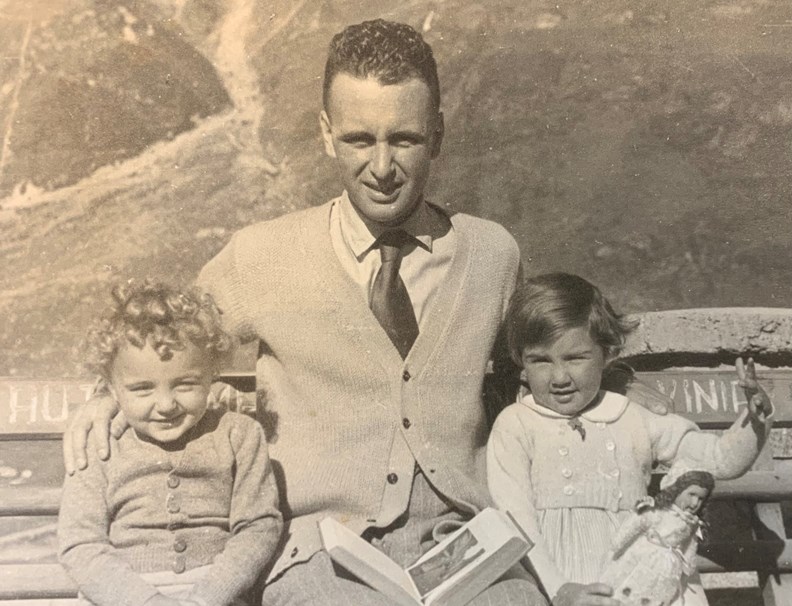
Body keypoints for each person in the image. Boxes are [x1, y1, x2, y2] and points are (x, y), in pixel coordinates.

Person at [63, 20, 666, 606]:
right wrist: (104, 400)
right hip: (318, 556)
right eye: (358, 140)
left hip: (467, 549)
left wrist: (620, 388)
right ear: (326, 133)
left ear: (437, 135)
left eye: (403, 139)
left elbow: (537, 360)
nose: (381, 168)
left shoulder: (491, 254)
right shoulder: (262, 256)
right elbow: (163, 342)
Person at [486, 272, 773, 606]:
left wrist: (754, 419)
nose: (559, 377)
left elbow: (719, 460)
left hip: (639, 576)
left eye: (575, 358)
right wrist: (558, 588)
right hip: (561, 580)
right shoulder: (516, 425)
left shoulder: (631, 416)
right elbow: (515, 518)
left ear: (607, 354)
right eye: (541, 361)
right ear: (521, 361)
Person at [58, 280, 282, 606]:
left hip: (217, 594)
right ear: (112, 388)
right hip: (120, 595)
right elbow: (80, 545)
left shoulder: (239, 434)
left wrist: (205, 599)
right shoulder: (100, 444)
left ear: (212, 374)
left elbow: (258, 527)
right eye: (142, 389)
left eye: (185, 384)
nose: (165, 405)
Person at [600, 461, 715, 606]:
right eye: (691, 494)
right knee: (627, 592)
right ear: (677, 489)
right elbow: (635, 524)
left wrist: (688, 568)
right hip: (642, 559)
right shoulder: (657, 512)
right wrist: (617, 546)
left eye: (700, 498)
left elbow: (689, 550)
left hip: (667, 570)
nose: (694, 503)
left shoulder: (691, 524)